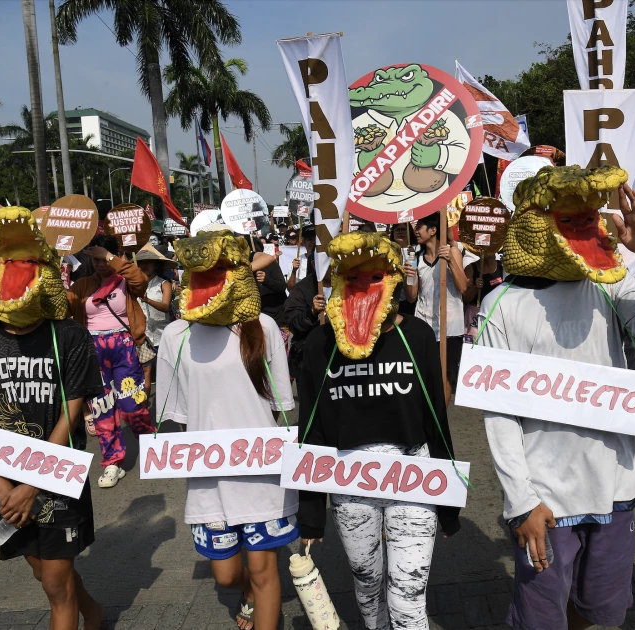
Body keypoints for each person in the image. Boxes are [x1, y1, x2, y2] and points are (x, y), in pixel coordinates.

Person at [480, 169, 635, 630]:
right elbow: (499, 414)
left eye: (589, 219)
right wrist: (520, 502)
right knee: (540, 617)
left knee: (597, 609)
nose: (584, 229)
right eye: (569, 221)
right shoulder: (501, 305)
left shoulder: (610, 284)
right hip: (545, 497)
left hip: (615, 487)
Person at [298, 231, 460, 630]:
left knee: (408, 594)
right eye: (352, 278)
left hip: (412, 476)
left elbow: (436, 419)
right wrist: (311, 512)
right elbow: (311, 427)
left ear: (393, 280)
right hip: (349, 481)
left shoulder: (417, 336)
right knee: (368, 585)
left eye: (375, 277)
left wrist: (449, 503)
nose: (363, 288)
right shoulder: (320, 344)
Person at [0, 207, 104, 630]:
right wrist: (4, 487)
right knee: (43, 573)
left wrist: (31, 486)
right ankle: (93, 610)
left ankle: (84, 613)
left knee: (57, 585)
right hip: (4, 481)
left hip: (56, 476)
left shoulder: (70, 337)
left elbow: (71, 413)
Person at [158, 225, 297, 630]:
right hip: (209, 479)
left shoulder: (263, 327)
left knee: (265, 571)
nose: (209, 278)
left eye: (220, 269)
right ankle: (247, 593)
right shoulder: (176, 336)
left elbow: (279, 408)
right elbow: (178, 414)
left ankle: (262, 600)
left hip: (262, 477)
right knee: (226, 575)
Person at [67, 235, 153, 489]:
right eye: (95, 260)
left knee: (132, 403)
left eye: (103, 259)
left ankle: (152, 449)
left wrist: (111, 258)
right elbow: (64, 307)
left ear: (115, 256)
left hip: (124, 346)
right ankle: (112, 462)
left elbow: (141, 280)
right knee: (102, 408)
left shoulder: (126, 281)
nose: (100, 264)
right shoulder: (82, 284)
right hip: (92, 349)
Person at [406, 212, 477, 399]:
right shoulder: (415, 256)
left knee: (445, 377)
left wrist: (451, 260)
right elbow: (411, 297)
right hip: (423, 325)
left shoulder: (453, 251)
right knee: (423, 375)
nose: (416, 231)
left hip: (450, 327)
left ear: (433, 230)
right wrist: (409, 275)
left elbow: (463, 287)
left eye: (420, 227)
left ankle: (440, 415)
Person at [136, 244, 175, 398]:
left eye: (148, 262)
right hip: (143, 337)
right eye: (141, 262)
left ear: (156, 265)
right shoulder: (134, 285)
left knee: (167, 374)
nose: (144, 265)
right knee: (144, 375)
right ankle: (144, 406)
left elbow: (165, 306)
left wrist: (147, 300)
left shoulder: (164, 284)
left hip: (162, 336)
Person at [283, 226, 322, 381]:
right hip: (307, 360)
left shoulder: (349, 284)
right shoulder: (302, 290)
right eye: (308, 239)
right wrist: (311, 312)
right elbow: (295, 324)